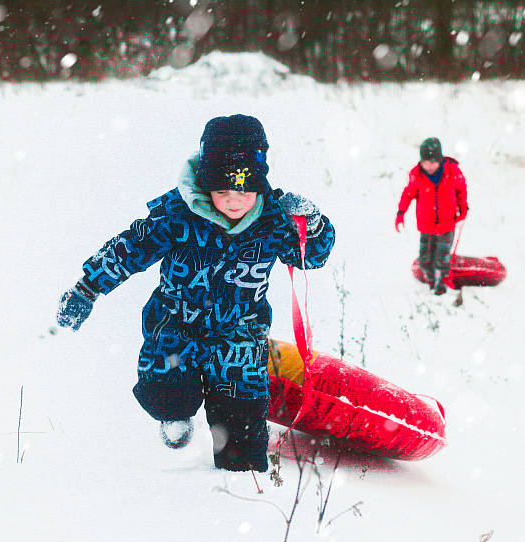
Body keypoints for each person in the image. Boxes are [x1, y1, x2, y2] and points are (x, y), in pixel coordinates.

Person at [56, 114, 335, 472]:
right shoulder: (178, 214)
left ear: (260, 184)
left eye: (244, 191)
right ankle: (173, 414)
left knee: (243, 423)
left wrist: (311, 223)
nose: (234, 202)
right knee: (165, 384)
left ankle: (238, 472)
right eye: (221, 192)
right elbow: (129, 249)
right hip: (177, 322)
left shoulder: (273, 220)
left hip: (240, 332)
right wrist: (87, 288)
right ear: (206, 186)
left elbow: (312, 255)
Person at [395, 137, 468, 295]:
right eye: (425, 162)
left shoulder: (452, 172)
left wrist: (463, 210)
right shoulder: (417, 176)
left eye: (432, 162)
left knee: (441, 259)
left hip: (447, 224)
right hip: (426, 225)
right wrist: (401, 213)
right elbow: (408, 194)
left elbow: (461, 191)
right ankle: (430, 279)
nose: (428, 166)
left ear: (440, 160)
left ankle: (441, 285)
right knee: (424, 259)